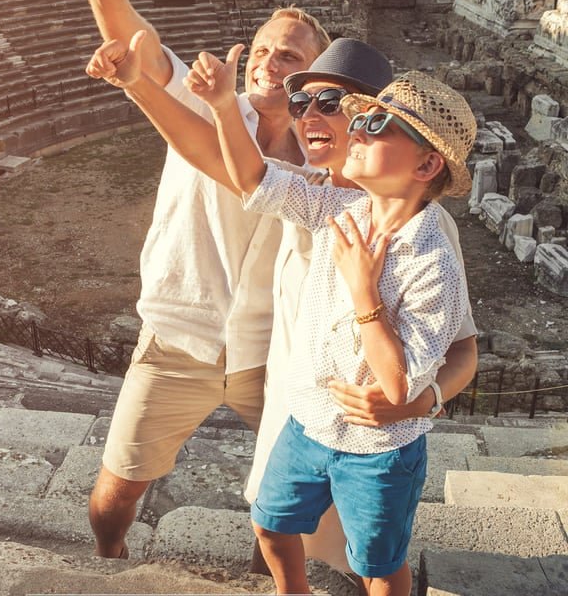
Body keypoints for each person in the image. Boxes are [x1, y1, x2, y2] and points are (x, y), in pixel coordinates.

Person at [77, 0, 478, 567]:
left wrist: (422, 398)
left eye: (313, 85)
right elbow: (142, 53)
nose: (272, 66)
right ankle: (108, 557)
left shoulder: (354, 194)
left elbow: (460, 347)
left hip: (283, 365)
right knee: (120, 482)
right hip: (184, 331)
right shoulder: (235, 133)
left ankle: (344, 566)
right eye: (264, 53)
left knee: (311, 514)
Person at [184, 58, 476, 596]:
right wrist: (225, 107)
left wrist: (365, 294)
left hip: (380, 446)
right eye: (359, 121)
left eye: (377, 126)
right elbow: (255, 179)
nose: (357, 132)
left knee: (377, 564)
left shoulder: (434, 259)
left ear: (427, 164)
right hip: (311, 420)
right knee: (270, 523)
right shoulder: (344, 208)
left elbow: (397, 386)